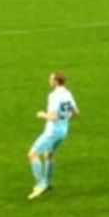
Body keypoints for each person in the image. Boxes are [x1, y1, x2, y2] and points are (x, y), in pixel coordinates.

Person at [28, 71, 79, 200]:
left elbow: (53, 116)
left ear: (56, 81)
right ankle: (48, 183)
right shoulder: (68, 94)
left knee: (33, 154)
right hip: (63, 131)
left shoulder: (54, 96)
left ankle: (41, 184)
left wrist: (41, 114)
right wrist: (65, 119)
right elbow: (76, 113)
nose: (49, 81)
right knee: (49, 154)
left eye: (51, 79)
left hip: (52, 132)